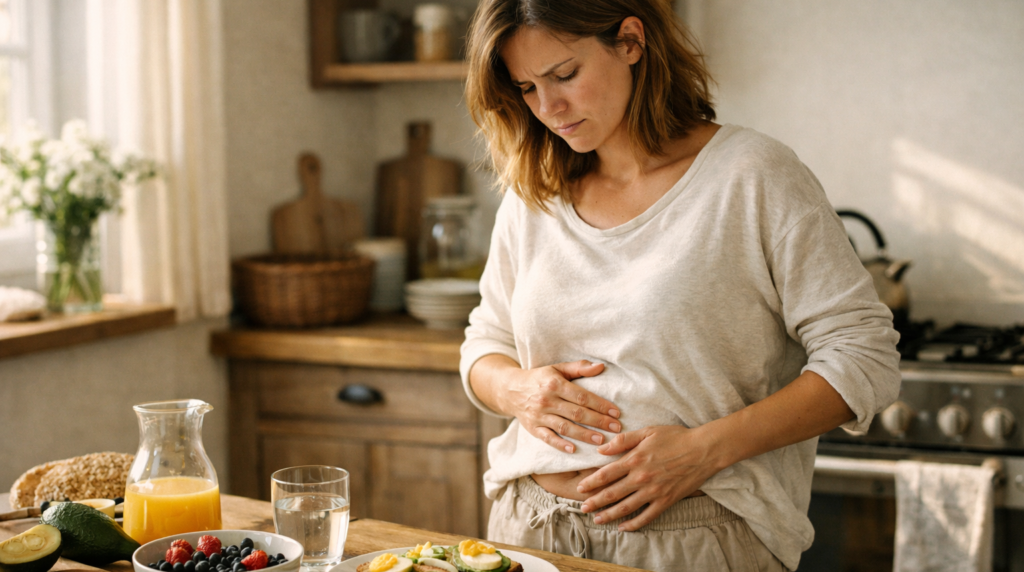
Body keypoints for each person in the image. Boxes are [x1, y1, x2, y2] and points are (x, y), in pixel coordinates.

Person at [459, 0, 901, 570]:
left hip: (695, 542)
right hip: (528, 531)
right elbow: (483, 344)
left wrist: (703, 451)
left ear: (630, 42)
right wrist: (517, 389)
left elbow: (865, 357)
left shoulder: (751, 175)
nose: (550, 108)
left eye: (564, 75)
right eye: (526, 89)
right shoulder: (533, 189)